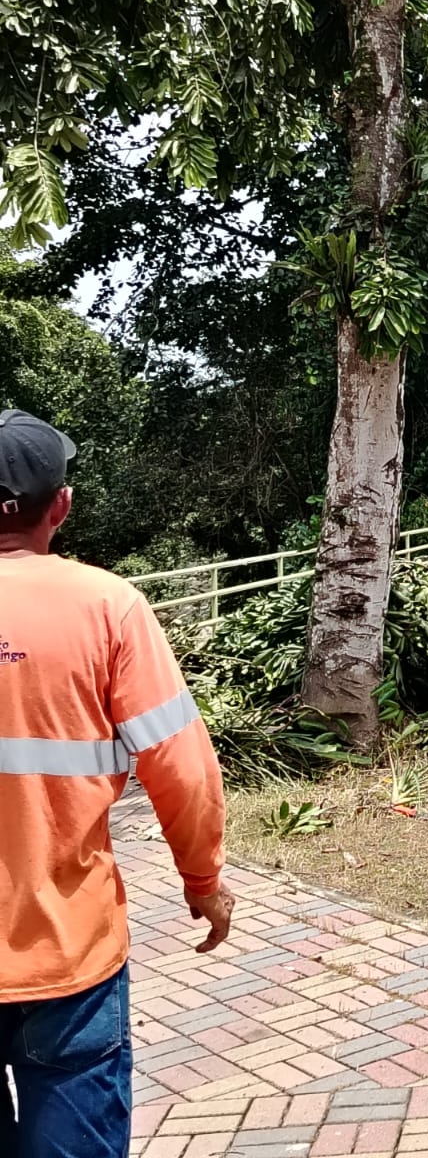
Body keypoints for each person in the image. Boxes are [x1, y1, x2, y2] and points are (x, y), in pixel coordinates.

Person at [0, 409, 233, 1155]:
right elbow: (182, 768)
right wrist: (203, 882)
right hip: (66, 953)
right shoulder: (108, 607)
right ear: (61, 506)